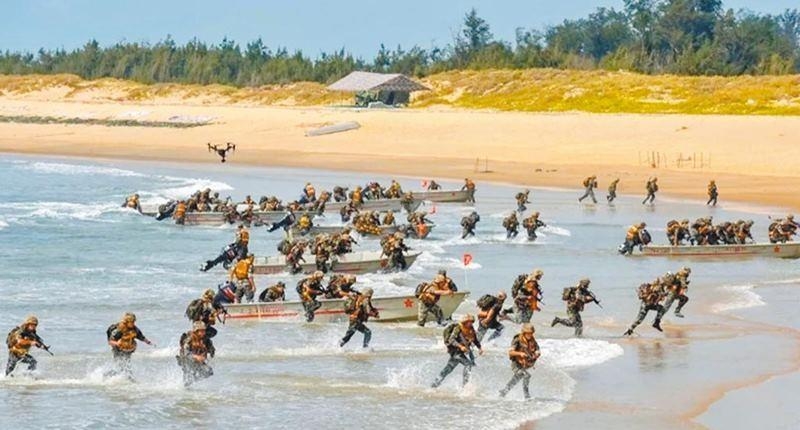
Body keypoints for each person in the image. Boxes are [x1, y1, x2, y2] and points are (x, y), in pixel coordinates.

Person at [431, 314, 483, 388]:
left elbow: (475, 339)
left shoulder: (471, 329)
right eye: (469, 322)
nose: (471, 323)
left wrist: (480, 348)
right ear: (465, 322)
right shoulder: (458, 328)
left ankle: (435, 384)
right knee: (468, 364)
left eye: (472, 322)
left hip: (461, 353)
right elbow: (451, 340)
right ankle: (465, 386)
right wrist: (460, 346)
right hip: (455, 352)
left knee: (448, 370)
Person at [105, 313, 153, 379]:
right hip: (117, 349)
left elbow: (141, 336)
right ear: (127, 322)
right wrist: (116, 343)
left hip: (128, 349)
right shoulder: (118, 329)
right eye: (132, 322)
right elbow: (110, 341)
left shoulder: (135, 329)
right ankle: (108, 376)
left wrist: (148, 342)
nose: (134, 323)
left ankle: (128, 378)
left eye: (134, 321)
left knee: (127, 365)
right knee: (120, 365)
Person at [498, 323, 540, 400]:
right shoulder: (517, 339)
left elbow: (537, 349)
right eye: (528, 333)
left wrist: (537, 353)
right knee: (526, 375)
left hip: (525, 364)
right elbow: (510, 352)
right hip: (516, 363)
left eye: (531, 333)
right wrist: (520, 353)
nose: (530, 335)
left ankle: (504, 392)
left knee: (516, 379)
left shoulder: (532, 340)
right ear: (524, 333)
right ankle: (526, 395)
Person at [177, 322, 214, 387]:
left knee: (209, 371)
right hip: (186, 360)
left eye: (204, 331)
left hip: (197, 360)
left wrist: (208, 354)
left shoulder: (205, 339)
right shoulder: (189, 339)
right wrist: (196, 357)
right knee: (187, 378)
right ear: (196, 331)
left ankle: (192, 381)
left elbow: (211, 351)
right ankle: (186, 386)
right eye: (201, 331)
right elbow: (185, 353)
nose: (203, 333)